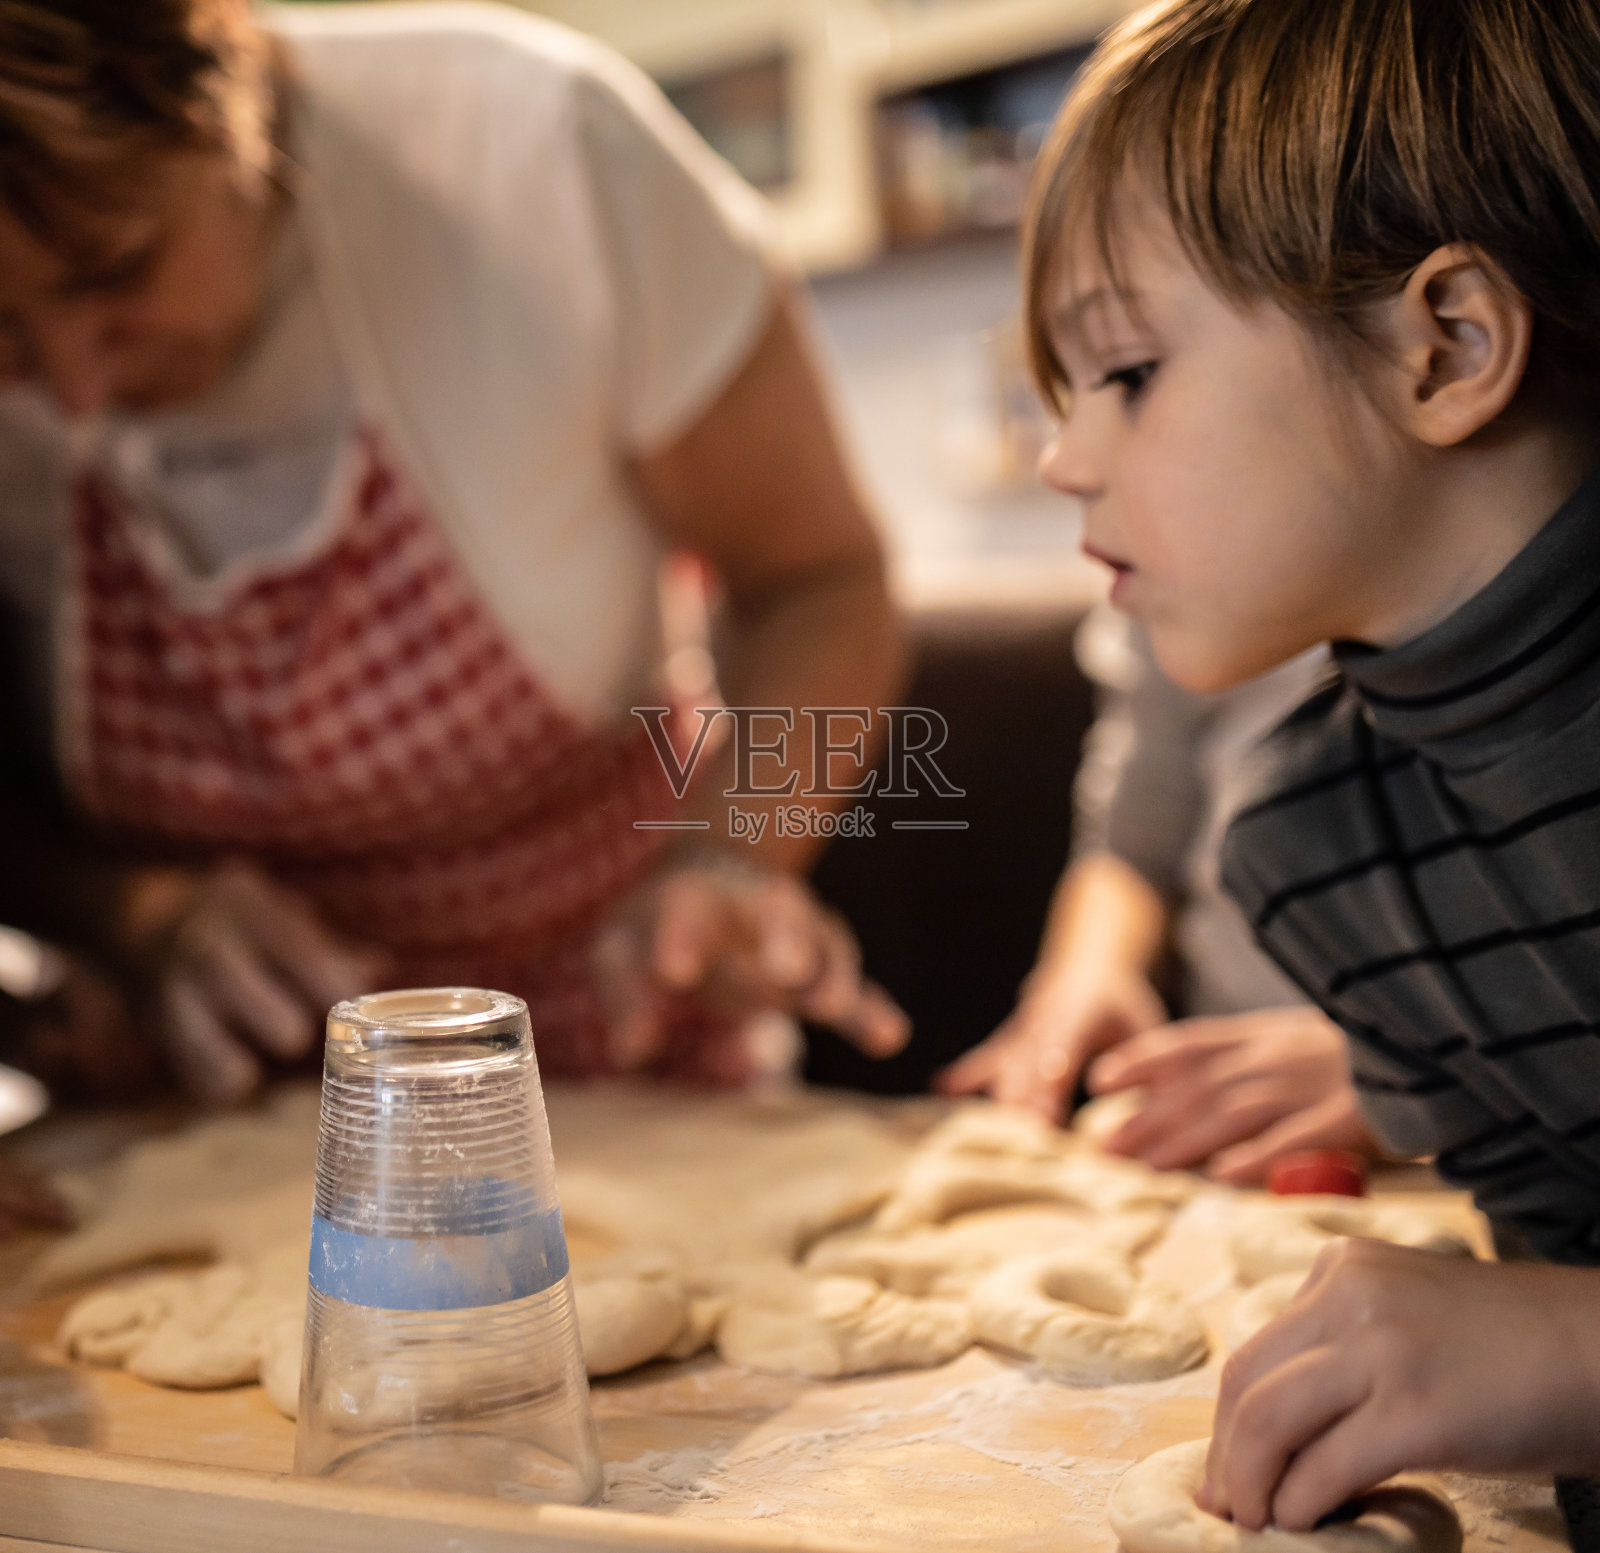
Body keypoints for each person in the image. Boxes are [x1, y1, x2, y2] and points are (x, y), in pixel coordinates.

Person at [0, 0, 907, 1105]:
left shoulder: (536, 151)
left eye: (119, 275)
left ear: (215, 87)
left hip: (617, 1070)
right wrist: (131, 914)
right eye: (2, 331)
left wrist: (729, 858)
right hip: (198, 1109)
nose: (74, 391)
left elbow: (818, 581)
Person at [1020, 0, 1600, 1541]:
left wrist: (1564, 1348)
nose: (1061, 459)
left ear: (1445, 345)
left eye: (1128, 370)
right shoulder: (1327, 845)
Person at [942, 606, 1380, 1184]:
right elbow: (1135, 846)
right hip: (1220, 1125)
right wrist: (1093, 970)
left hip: (1462, 1147)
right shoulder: (1168, 595)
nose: (1075, 513)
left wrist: (1414, 1084)